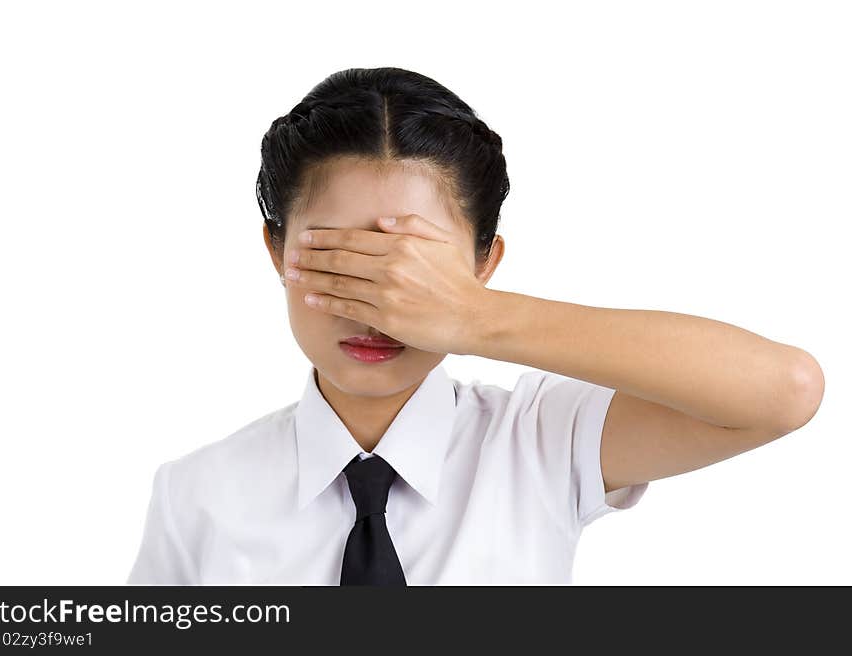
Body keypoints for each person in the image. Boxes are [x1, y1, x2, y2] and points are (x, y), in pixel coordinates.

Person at [127, 67, 825, 585]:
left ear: (484, 262)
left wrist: (469, 316)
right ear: (277, 251)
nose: (377, 304)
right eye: (341, 260)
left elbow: (784, 391)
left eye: (412, 267)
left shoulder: (543, 442)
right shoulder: (197, 493)